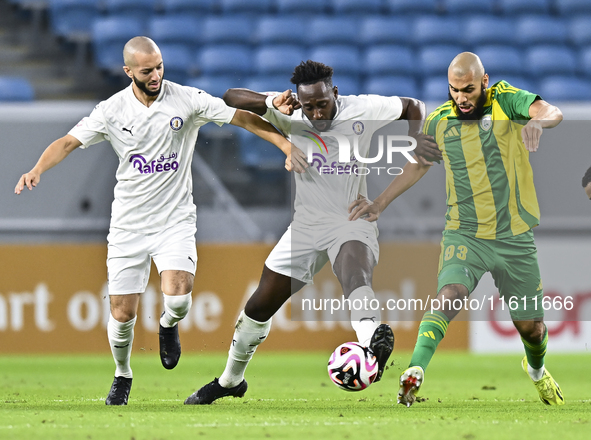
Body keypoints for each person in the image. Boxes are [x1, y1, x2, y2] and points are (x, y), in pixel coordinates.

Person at [14, 36, 298, 406]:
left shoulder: (186, 99)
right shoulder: (112, 110)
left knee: (179, 297)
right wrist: (37, 168)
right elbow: (67, 142)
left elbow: (240, 117)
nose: (156, 75)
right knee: (122, 314)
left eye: (159, 66)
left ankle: (167, 325)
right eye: (147, 70)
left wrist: (286, 145)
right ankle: (122, 374)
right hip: (128, 226)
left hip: (174, 221)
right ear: (128, 71)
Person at [184, 60, 436, 404]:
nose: (317, 113)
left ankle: (373, 339)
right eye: (309, 106)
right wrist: (270, 104)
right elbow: (229, 97)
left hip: (350, 218)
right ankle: (230, 380)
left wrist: (416, 137)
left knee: (354, 274)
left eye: (323, 103)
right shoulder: (290, 111)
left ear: (335, 92)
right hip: (304, 227)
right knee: (257, 308)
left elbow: (412, 105)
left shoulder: (362, 108)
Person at [351, 52, 564, 407]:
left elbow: (549, 111)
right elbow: (418, 165)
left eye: (468, 89)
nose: (461, 98)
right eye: (454, 90)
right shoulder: (439, 121)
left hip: (514, 237)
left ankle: (537, 370)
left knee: (533, 329)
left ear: (484, 82)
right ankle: (415, 371)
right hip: (464, 232)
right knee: (450, 294)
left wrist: (538, 123)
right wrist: (379, 203)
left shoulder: (507, 102)